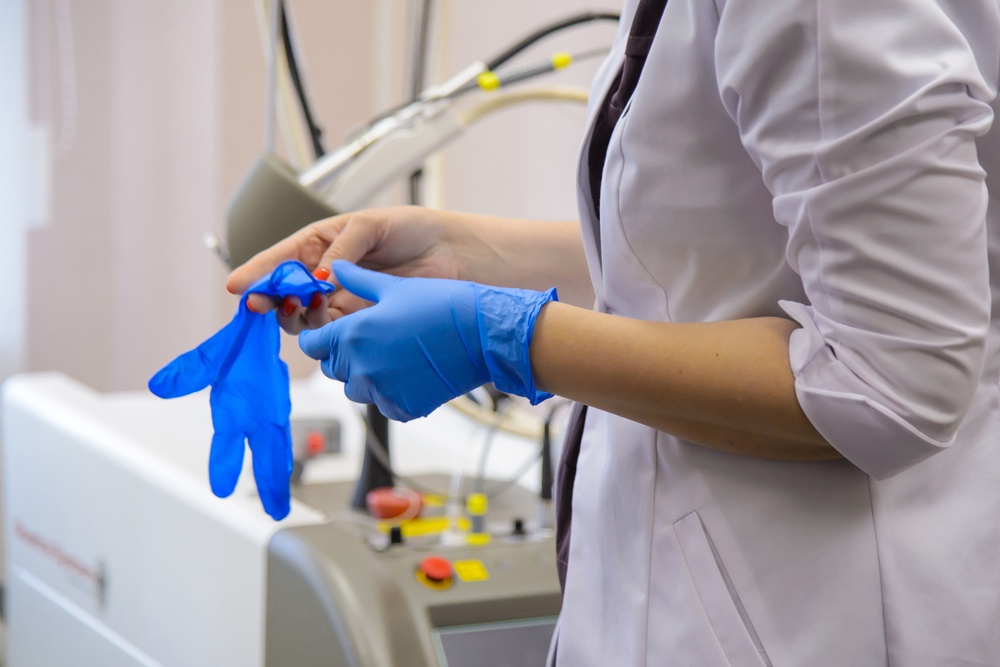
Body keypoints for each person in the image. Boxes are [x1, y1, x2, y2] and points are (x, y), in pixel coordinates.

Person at [227, 0, 1000, 663]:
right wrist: (462, 257)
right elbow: (720, 255)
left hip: (821, 620)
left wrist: (510, 339)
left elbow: (892, 377)